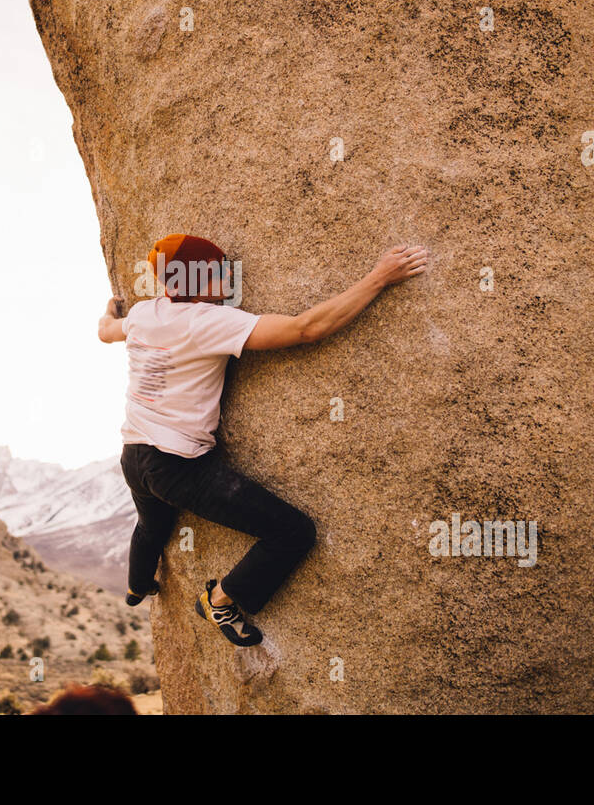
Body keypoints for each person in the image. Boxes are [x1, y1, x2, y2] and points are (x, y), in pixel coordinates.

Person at [98, 234, 430, 646]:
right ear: (197, 277)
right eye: (219, 269)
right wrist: (379, 278)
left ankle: (137, 587)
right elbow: (307, 329)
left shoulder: (146, 313)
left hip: (134, 455)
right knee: (292, 532)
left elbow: (105, 331)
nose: (228, 275)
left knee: (151, 525)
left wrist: (109, 312)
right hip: (177, 465)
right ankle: (218, 599)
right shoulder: (206, 320)